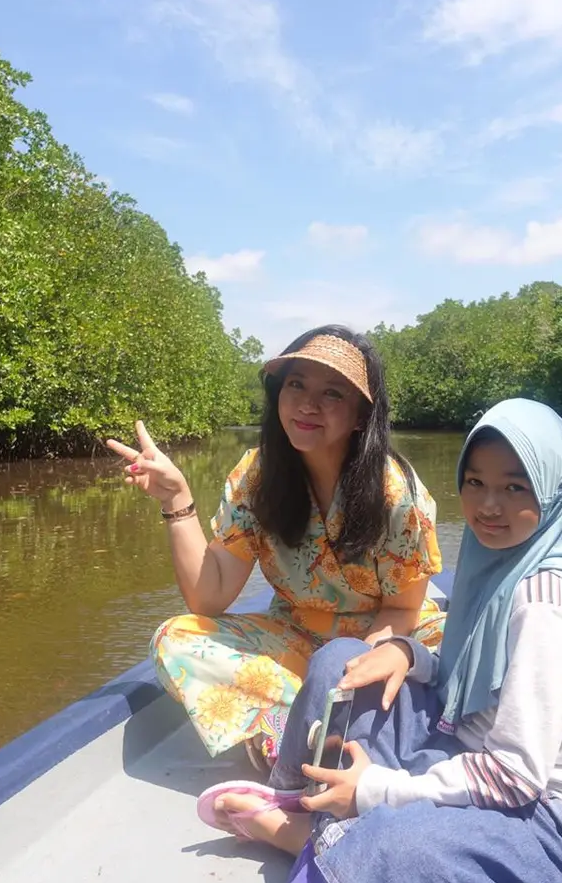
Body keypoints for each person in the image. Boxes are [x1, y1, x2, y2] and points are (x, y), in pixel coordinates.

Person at [202, 398, 562, 883]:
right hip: (463, 748)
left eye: (516, 488)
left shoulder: (549, 609)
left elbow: (516, 778)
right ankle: (312, 807)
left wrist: (377, 791)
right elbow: (468, 677)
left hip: (546, 821)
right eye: (475, 482)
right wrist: (406, 651)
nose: (488, 505)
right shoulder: (492, 559)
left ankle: (305, 837)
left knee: (398, 859)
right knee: (343, 664)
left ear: (553, 492)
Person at [107, 325, 445, 768]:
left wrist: (347, 670)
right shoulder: (257, 476)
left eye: (332, 394)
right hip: (297, 640)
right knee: (174, 639)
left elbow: (401, 612)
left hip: (381, 639)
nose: (307, 404)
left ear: (361, 415)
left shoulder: (393, 493)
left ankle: (316, 726)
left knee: (447, 659)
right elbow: (208, 597)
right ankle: (294, 727)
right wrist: (176, 499)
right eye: (296, 385)